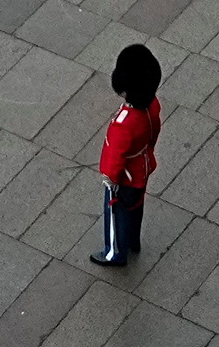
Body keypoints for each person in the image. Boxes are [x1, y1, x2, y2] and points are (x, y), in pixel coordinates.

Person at [94, 42, 163, 270]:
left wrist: (110, 179)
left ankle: (115, 253)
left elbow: (115, 157)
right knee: (135, 210)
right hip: (141, 170)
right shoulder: (152, 106)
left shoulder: (123, 124)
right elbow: (153, 132)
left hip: (124, 178)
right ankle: (133, 242)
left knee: (116, 215)